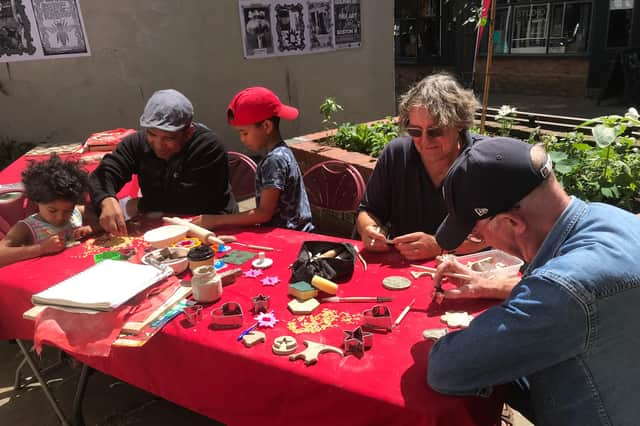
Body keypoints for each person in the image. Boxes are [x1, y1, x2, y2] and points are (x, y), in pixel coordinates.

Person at [428, 138, 640, 425]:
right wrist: (498, 286)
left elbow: (447, 369)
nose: (482, 242)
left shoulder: (563, 290)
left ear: (512, 222)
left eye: (478, 234)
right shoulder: (614, 218)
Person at [356, 72, 487, 260]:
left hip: (469, 270)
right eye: (415, 131)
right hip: (402, 267)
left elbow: (495, 234)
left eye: (435, 130)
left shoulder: (485, 161)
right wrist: (369, 229)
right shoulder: (396, 154)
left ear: (459, 124)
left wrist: (438, 246)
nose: (424, 141)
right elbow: (369, 210)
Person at [89, 89, 237, 235]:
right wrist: (106, 198)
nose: (159, 145)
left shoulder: (208, 147)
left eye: (169, 138)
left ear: (188, 133)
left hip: (211, 228)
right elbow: (105, 172)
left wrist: (138, 204)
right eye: (152, 134)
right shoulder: (137, 143)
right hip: (157, 226)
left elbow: (193, 201)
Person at [194, 87, 313, 232]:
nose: (242, 139)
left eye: (244, 133)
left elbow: (263, 214)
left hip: (289, 236)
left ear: (266, 126)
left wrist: (217, 220)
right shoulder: (283, 152)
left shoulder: (274, 160)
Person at [0, 155, 93, 267]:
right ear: (37, 201)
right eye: (52, 210)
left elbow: (103, 220)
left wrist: (91, 229)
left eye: (68, 211)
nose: (60, 217)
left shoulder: (76, 213)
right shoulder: (26, 227)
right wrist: (41, 249)